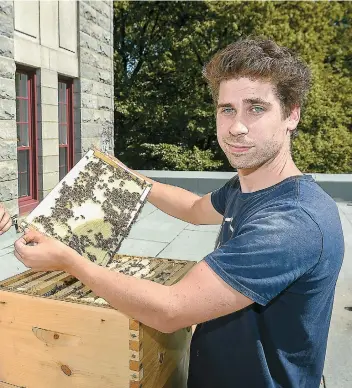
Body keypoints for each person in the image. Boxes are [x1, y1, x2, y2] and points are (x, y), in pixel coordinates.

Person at [7, 37, 344, 388]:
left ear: (292, 114)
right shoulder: (249, 187)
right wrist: (131, 179)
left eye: (256, 108)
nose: (236, 127)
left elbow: (170, 310)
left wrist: (68, 261)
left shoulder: (291, 222)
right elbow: (195, 208)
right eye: (227, 109)